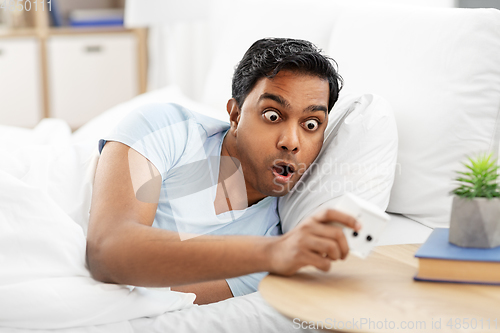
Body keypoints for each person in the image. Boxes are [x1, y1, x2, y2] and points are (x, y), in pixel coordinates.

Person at [86, 38, 360, 308]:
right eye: (273, 116)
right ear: (236, 115)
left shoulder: (271, 241)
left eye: (311, 124)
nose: (291, 141)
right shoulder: (167, 128)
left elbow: (160, 302)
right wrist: (272, 254)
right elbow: (107, 252)